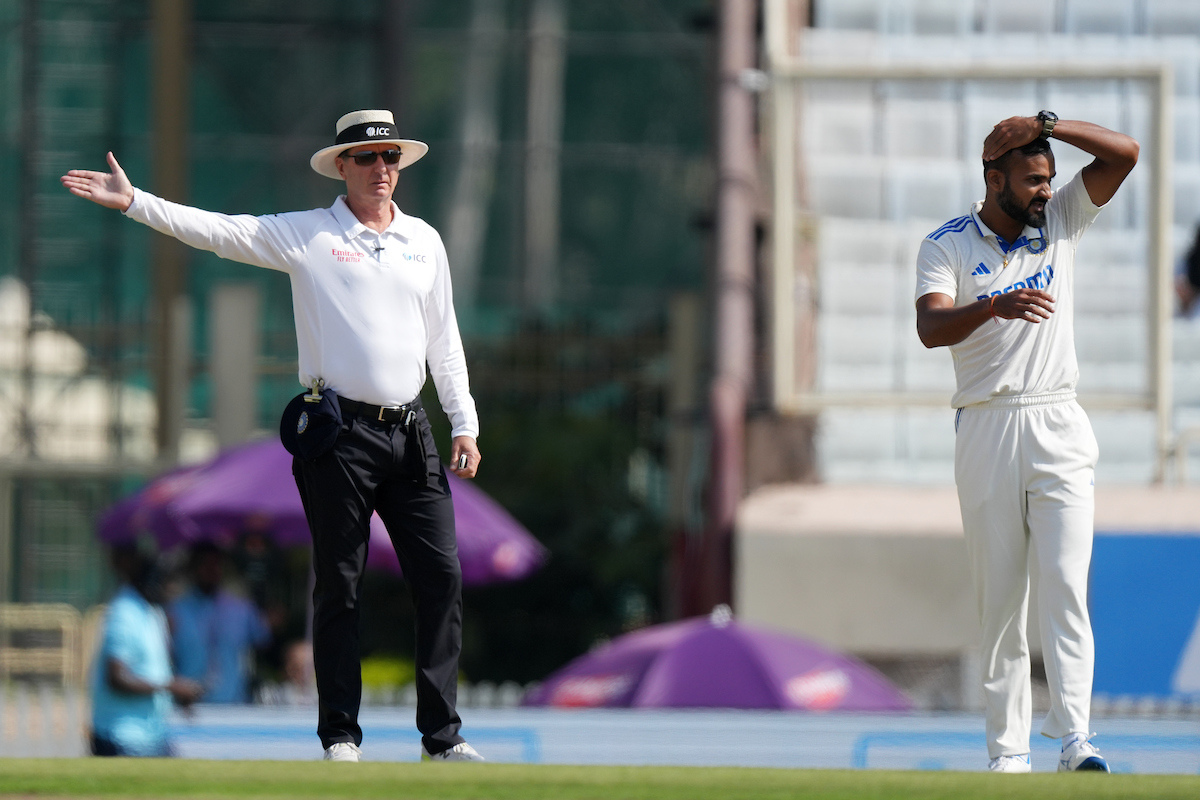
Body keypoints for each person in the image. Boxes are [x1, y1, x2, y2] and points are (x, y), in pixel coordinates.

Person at [63, 109, 485, 763]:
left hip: (411, 430)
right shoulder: (309, 235)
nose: (382, 170)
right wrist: (135, 202)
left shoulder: (424, 240)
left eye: (390, 158)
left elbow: (444, 340)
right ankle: (341, 735)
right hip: (339, 432)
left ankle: (442, 736)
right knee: (339, 584)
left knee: (442, 578)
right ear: (341, 165)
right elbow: (220, 233)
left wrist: (465, 422)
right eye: (368, 159)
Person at [915, 112, 1138, 773]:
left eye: (1049, 178)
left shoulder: (1062, 221)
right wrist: (993, 305)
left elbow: (1124, 155)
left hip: (1058, 420)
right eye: (1031, 179)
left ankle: (1075, 738)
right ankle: (1007, 751)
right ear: (994, 179)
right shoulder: (946, 244)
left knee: (1066, 584)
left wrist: (1051, 125)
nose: (1046, 190)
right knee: (1002, 599)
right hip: (987, 423)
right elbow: (930, 327)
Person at [90, 540, 203, 756]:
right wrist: (170, 687)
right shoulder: (125, 612)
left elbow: (152, 670)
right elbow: (117, 677)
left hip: (153, 733)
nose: (172, 590)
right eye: (167, 583)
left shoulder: (153, 612)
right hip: (122, 735)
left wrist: (178, 694)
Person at [168, 542, 271, 703]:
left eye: (216, 564)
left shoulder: (242, 609)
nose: (211, 569)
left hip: (235, 707)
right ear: (193, 568)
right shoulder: (175, 611)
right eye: (204, 564)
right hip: (188, 710)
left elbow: (264, 644)